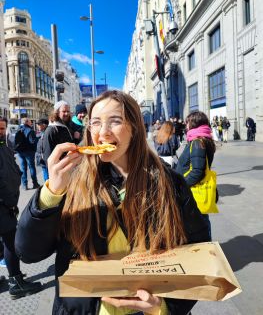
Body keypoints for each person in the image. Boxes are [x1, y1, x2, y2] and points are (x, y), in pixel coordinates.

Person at [15, 90, 210, 315]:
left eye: (115, 121)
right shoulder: (73, 182)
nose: (103, 132)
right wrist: (51, 193)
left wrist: (164, 307)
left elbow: (199, 252)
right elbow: (28, 253)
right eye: (95, 122)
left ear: (135, 128)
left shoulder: (169, 183)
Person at [0, 117, 42, 299]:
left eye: (2, 128)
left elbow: (11, 168)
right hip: (3, 204)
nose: (1, 131)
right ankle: (16, 283)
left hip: (7, 201)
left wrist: (17, 174)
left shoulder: (4, 144)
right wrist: (9, 201)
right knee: (10, 242)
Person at [176, 111, 216, 238]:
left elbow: (197, 171)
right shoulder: (201, 139)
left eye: (187, 122)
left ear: (193, 123)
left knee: (199, 221)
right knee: (201, 220)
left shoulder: (197, 142)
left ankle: (206, 246)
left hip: (193, 190)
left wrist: (181, 185)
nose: (185, 125)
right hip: (194, 188)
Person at [42, 100, 74, 168]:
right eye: (64, 111)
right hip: (59, 168)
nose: (66, 114)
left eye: (68, 111)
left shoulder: (67, 126)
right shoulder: (51, 130)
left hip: (70, 166)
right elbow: (47, 156)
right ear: (57, 112)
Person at [15, 118, 40, 190]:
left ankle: (24, 185)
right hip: (29, 152)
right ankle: (35, 183)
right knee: (31, 167)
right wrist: (37, 139)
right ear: (27, 122)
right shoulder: (30, 130)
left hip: (20, 152)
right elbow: (32, 141)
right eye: (30, 122)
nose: (31, 123)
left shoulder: (19, 130)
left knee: (23, 168)